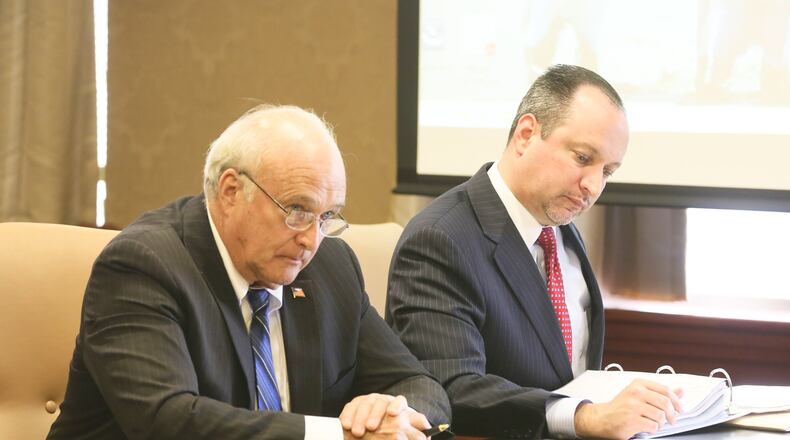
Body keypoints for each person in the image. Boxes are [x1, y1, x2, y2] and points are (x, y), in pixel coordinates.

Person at [48, 105, 450, 440]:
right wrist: (337, 435)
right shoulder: (143, 266)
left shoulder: (331, 266)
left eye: (327, 217)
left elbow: (421, 386)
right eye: (297, 211)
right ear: (230, 191)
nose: (312, 240)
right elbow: (168, 422)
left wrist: (392, 413)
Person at [386, 65, 682, 439]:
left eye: (607, 171)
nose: (593, 185)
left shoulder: (562, 232)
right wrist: (583, 417)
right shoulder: (440, 238)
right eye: (582, 158)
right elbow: (448, 389)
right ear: (526, 134)